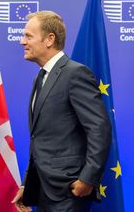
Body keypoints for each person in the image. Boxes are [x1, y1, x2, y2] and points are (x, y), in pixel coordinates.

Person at [11, 11, 111, 212]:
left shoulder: (75, 74)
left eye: (28, 36)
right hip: (43, 190)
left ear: (49, 39)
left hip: (69, 190)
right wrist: (27, 184)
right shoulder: (40, 78)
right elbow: (39, 138)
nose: (22, 41)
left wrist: (87, 179)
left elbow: (99, 129)